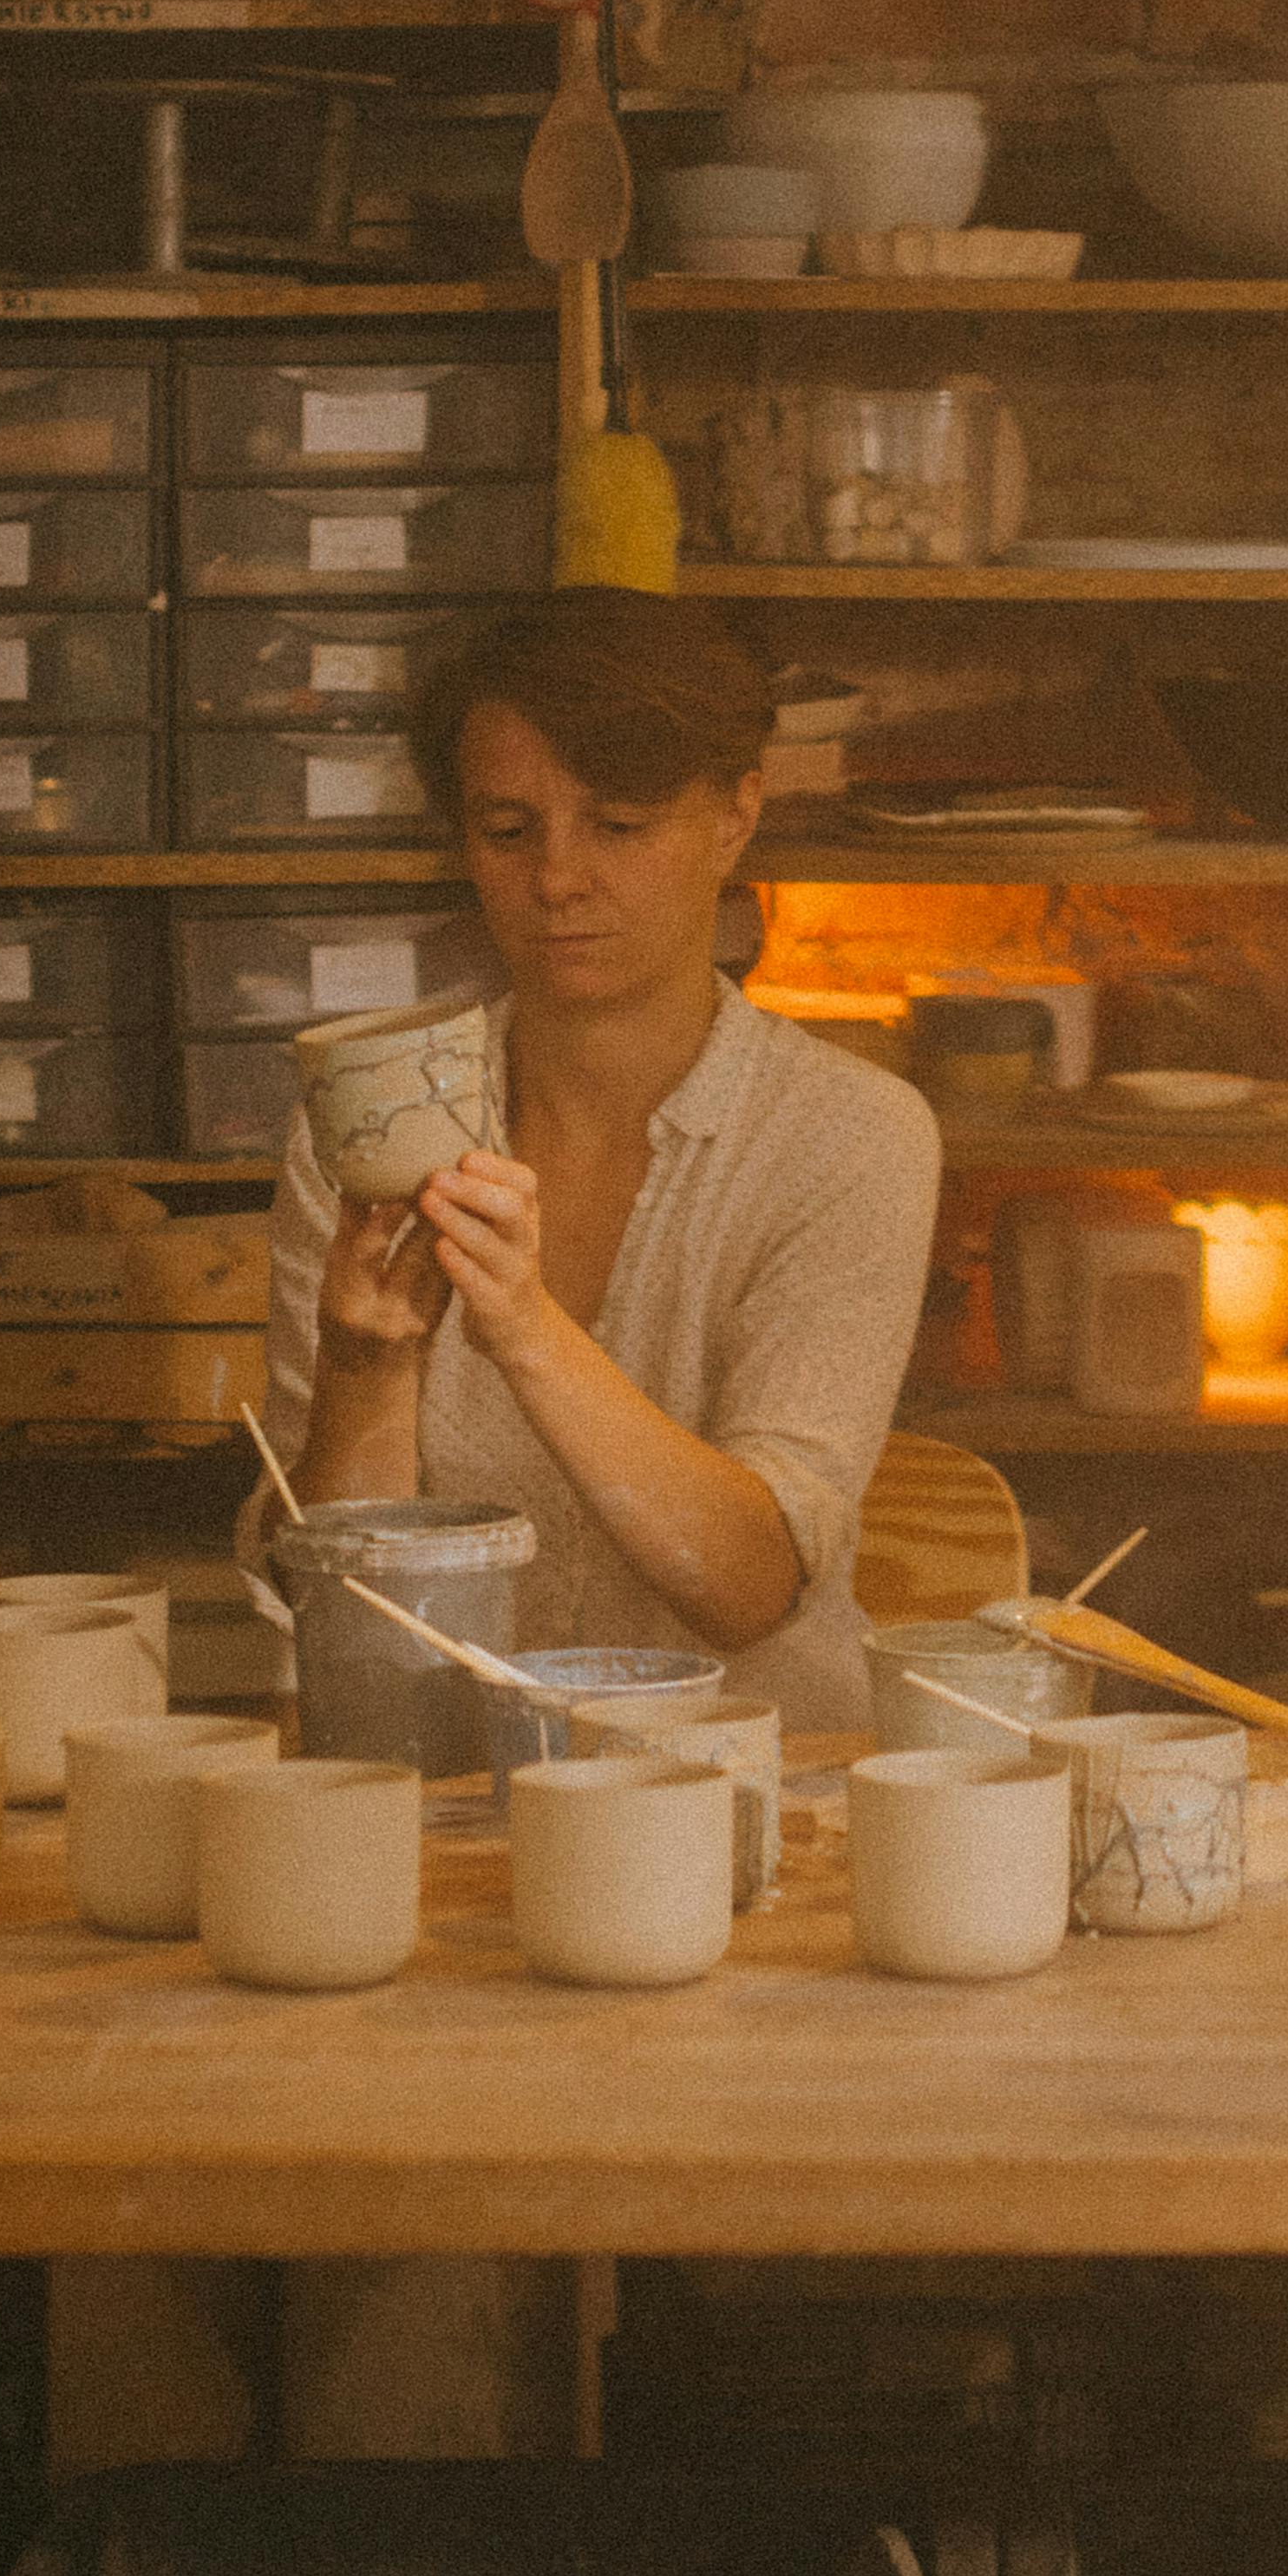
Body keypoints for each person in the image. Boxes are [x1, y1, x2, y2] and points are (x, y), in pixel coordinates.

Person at [258, 585, 939, 1726]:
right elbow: (331, 1610)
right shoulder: (372, 1129)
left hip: (752, 1788)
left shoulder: (846, 1133)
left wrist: (523, 1327)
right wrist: (366, 1372)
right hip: (449, 1780)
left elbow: (750, 1583)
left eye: (617, 825)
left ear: (735, 815)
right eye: (508, 830)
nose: (558, 878)